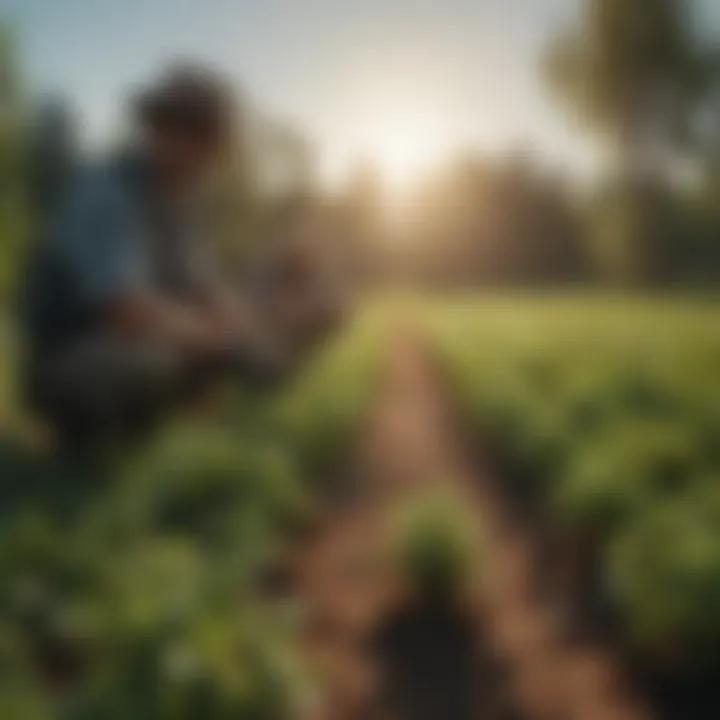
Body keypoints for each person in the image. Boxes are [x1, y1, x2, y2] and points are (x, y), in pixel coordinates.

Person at [22, 65, 288, 449]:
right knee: (161, 360)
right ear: (165, 133)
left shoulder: (175, 205)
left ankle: (166, 421)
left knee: (210, 347)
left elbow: (206, 288)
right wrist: (220, 340)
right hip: (69, 357)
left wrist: (247, 330)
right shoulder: (105, 193)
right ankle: (85, 437)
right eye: (206, 145)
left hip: (132, 341)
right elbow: (127, 311)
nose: (209, 164)